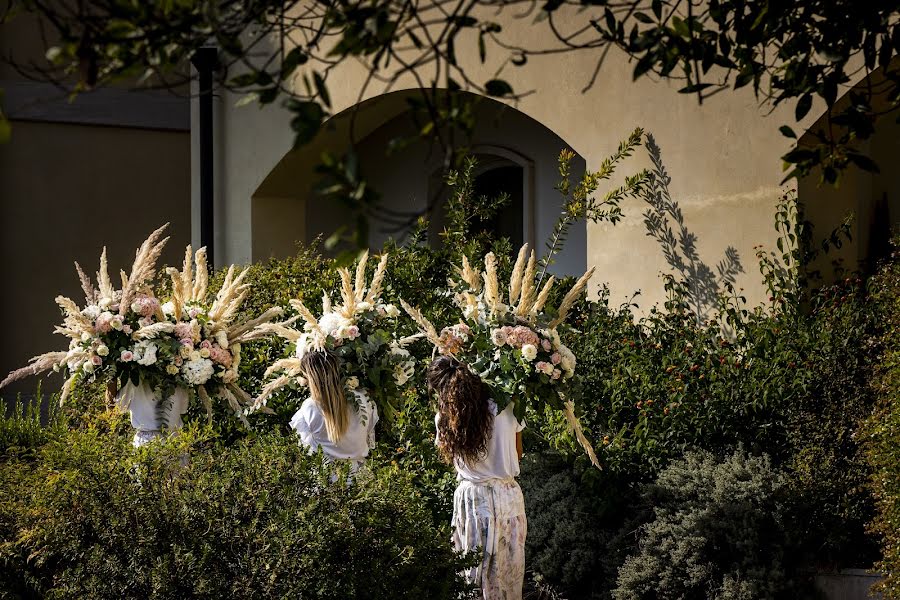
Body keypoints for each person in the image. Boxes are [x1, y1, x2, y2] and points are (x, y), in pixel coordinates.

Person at [428, 355, 527, 600]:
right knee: (508, 576)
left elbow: (450, 459)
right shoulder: (506, 407)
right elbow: (518, 452)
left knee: (473, 574)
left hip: (472, 499)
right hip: (507, 496)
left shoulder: (445, 419)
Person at [289, 350, 378, 476]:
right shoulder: (361, 399)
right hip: (362, 478)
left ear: (311, 378)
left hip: (329, 482)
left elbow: (309, 451)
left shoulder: (309, 407)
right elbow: (368, 437)